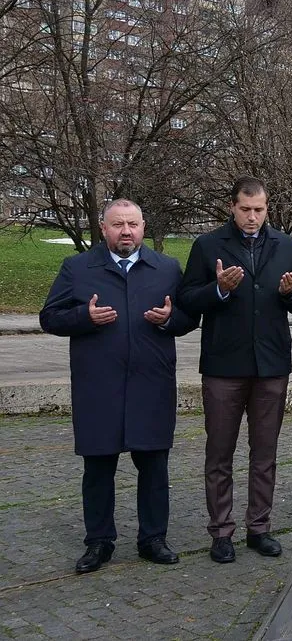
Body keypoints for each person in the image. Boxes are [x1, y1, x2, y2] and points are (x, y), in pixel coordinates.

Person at [40, 199, 197, 573]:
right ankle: (98, 542)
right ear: (103, 228)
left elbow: (190, 316)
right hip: (99, 388)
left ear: (143, 227)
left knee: (155, 467)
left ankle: (153, 538)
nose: (126, 231)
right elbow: (49, 317)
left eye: (132, 224)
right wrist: (84, 316)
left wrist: (170, 318)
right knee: (98, 469)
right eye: (117, 225)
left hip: (151, 385)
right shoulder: (78, 268)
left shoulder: (166, 268)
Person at [178, 177, 292, 564]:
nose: (252, 217)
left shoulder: (285, 246)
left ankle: (259, 528)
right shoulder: (208, 245)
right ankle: (221, 532)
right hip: (224, 366)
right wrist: (218, 289)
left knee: (264, 452)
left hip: (270, 365)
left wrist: (290, 294)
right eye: (245, 209)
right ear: (232, 207)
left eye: (259, 210)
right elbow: (187, 299)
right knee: (219, 452)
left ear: (267, 208)